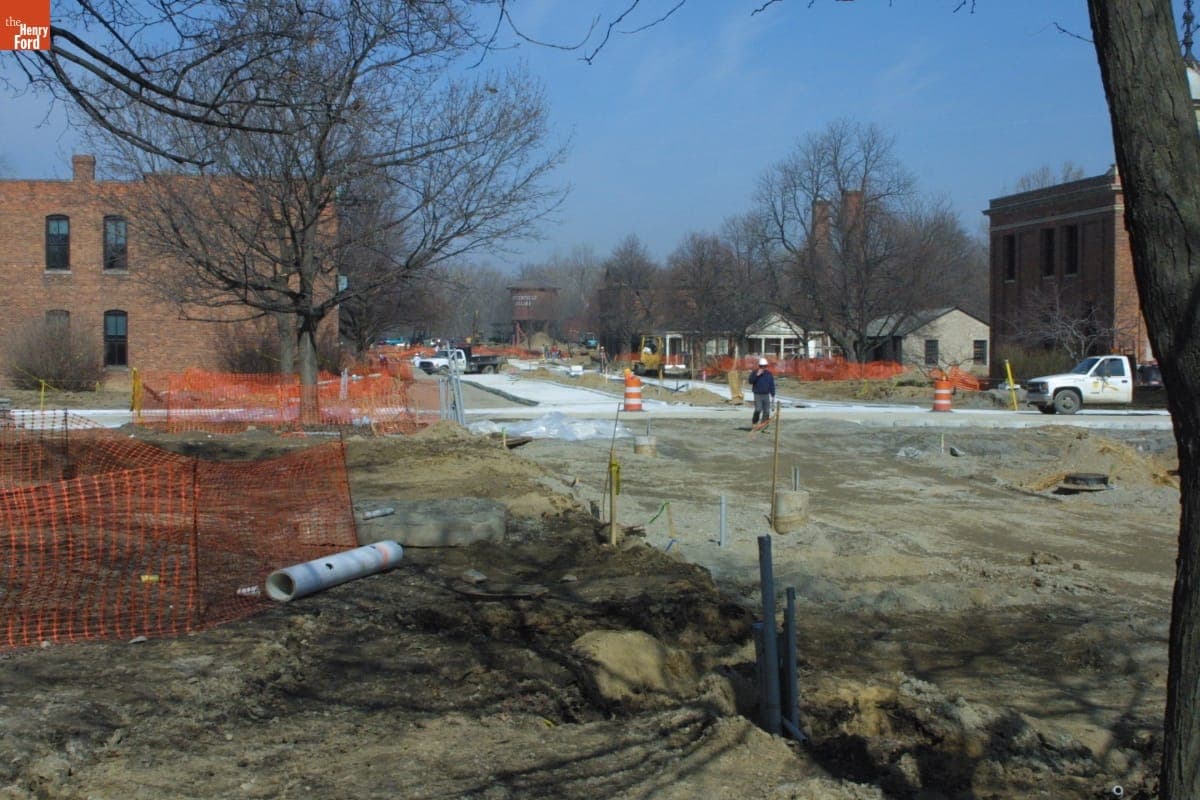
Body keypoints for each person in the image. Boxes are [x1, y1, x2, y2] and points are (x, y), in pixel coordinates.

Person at [748, 357, 776, 426]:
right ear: (759, 366)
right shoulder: (755, 372)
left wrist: (773, 394)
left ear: (766, 366)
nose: (763, 368)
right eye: (761, 366)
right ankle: (754, 422)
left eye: (764, 366)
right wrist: (757, 375)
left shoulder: (769, 374)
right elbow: (750, 381)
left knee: (766, 411)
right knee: (758, 409)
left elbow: (771, 384)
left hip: (766, 394)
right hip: (757, 394)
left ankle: (763, 425)